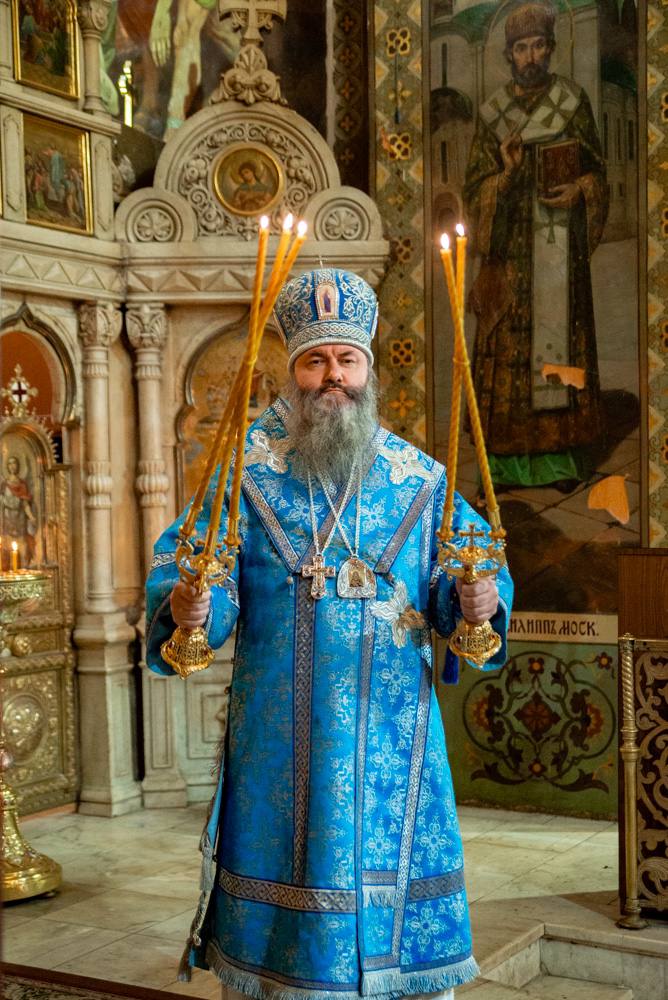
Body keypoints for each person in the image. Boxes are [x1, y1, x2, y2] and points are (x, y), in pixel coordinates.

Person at [145, 268, 513, 999]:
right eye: (315, 361)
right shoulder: (243, 474)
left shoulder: (418, 478)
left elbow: (470, 567)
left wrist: (476, 598)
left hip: (394, 729)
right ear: (291, 370)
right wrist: (191, 609)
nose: (332, 377)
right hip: (280, 736)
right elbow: (196, 571)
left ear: (367, 370)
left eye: (347, 360)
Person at [463, 2, 608, 492]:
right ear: (509, 54)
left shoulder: (572, 101)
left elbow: (597, 172)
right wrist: (504, 177)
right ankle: (503, 466)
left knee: (560, 343)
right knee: (508, 350)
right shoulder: (493, 113)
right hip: (508, 257)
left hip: (559, 252)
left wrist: (580, 189)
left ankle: (561, 459)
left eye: (539, 45)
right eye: (521, 48)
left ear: (551, 48)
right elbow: (474, 190)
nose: (530, 56)